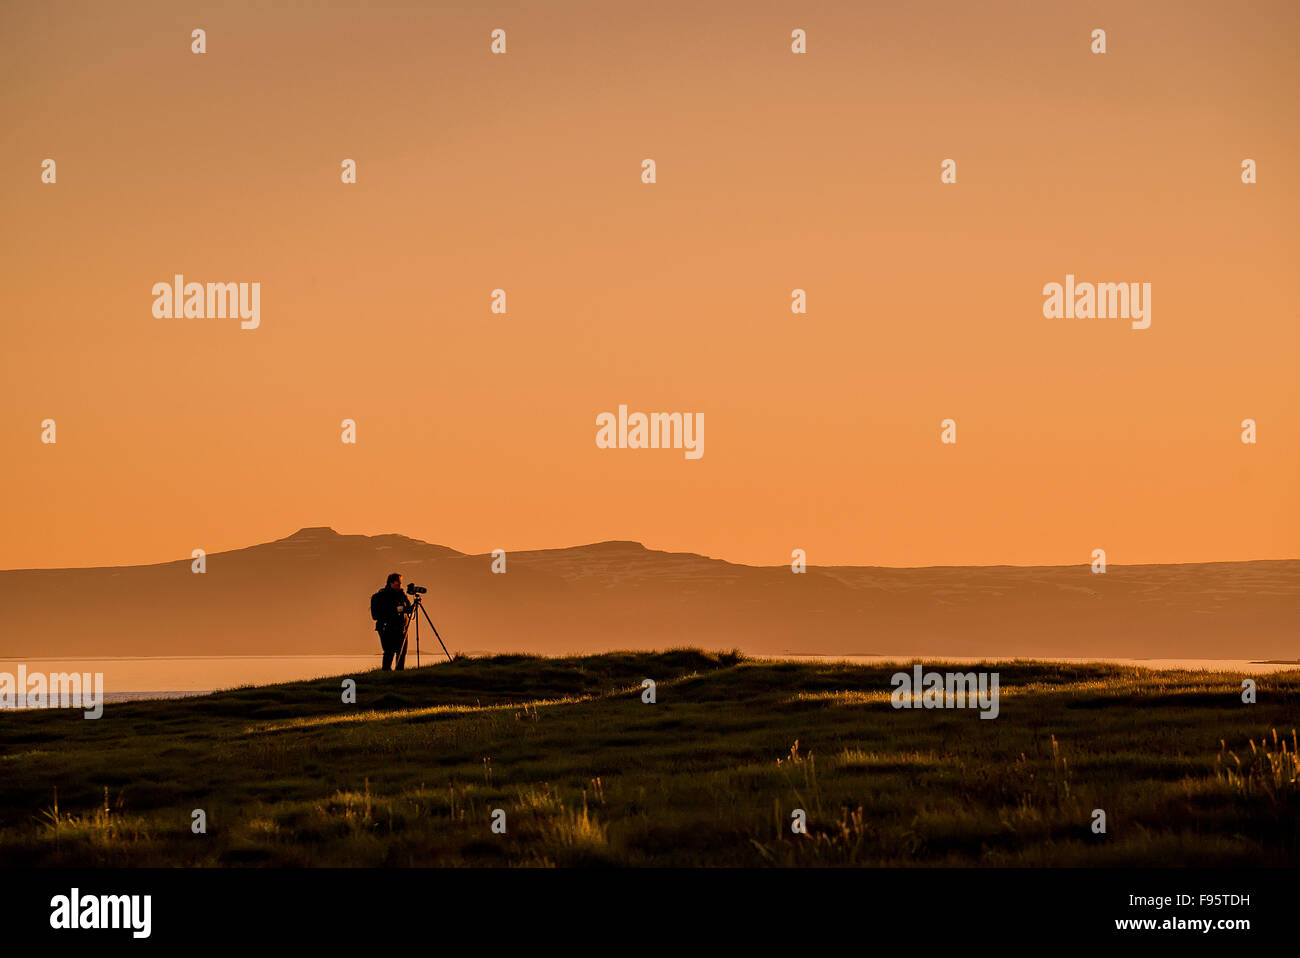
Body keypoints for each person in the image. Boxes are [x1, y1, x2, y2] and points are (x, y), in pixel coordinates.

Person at [370, 572, 413, 670]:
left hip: (402, 627)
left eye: (400, 583)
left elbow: (408, 609)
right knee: (389, 652)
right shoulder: (381, 596)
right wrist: (397, 609)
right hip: (387, 628)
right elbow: (376, 615)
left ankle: (399, 672)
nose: (400, 585)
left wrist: (413, 605)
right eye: (398, 582)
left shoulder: (401, 595)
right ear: (391, 583)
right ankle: (386, 672)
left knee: (401, 652)